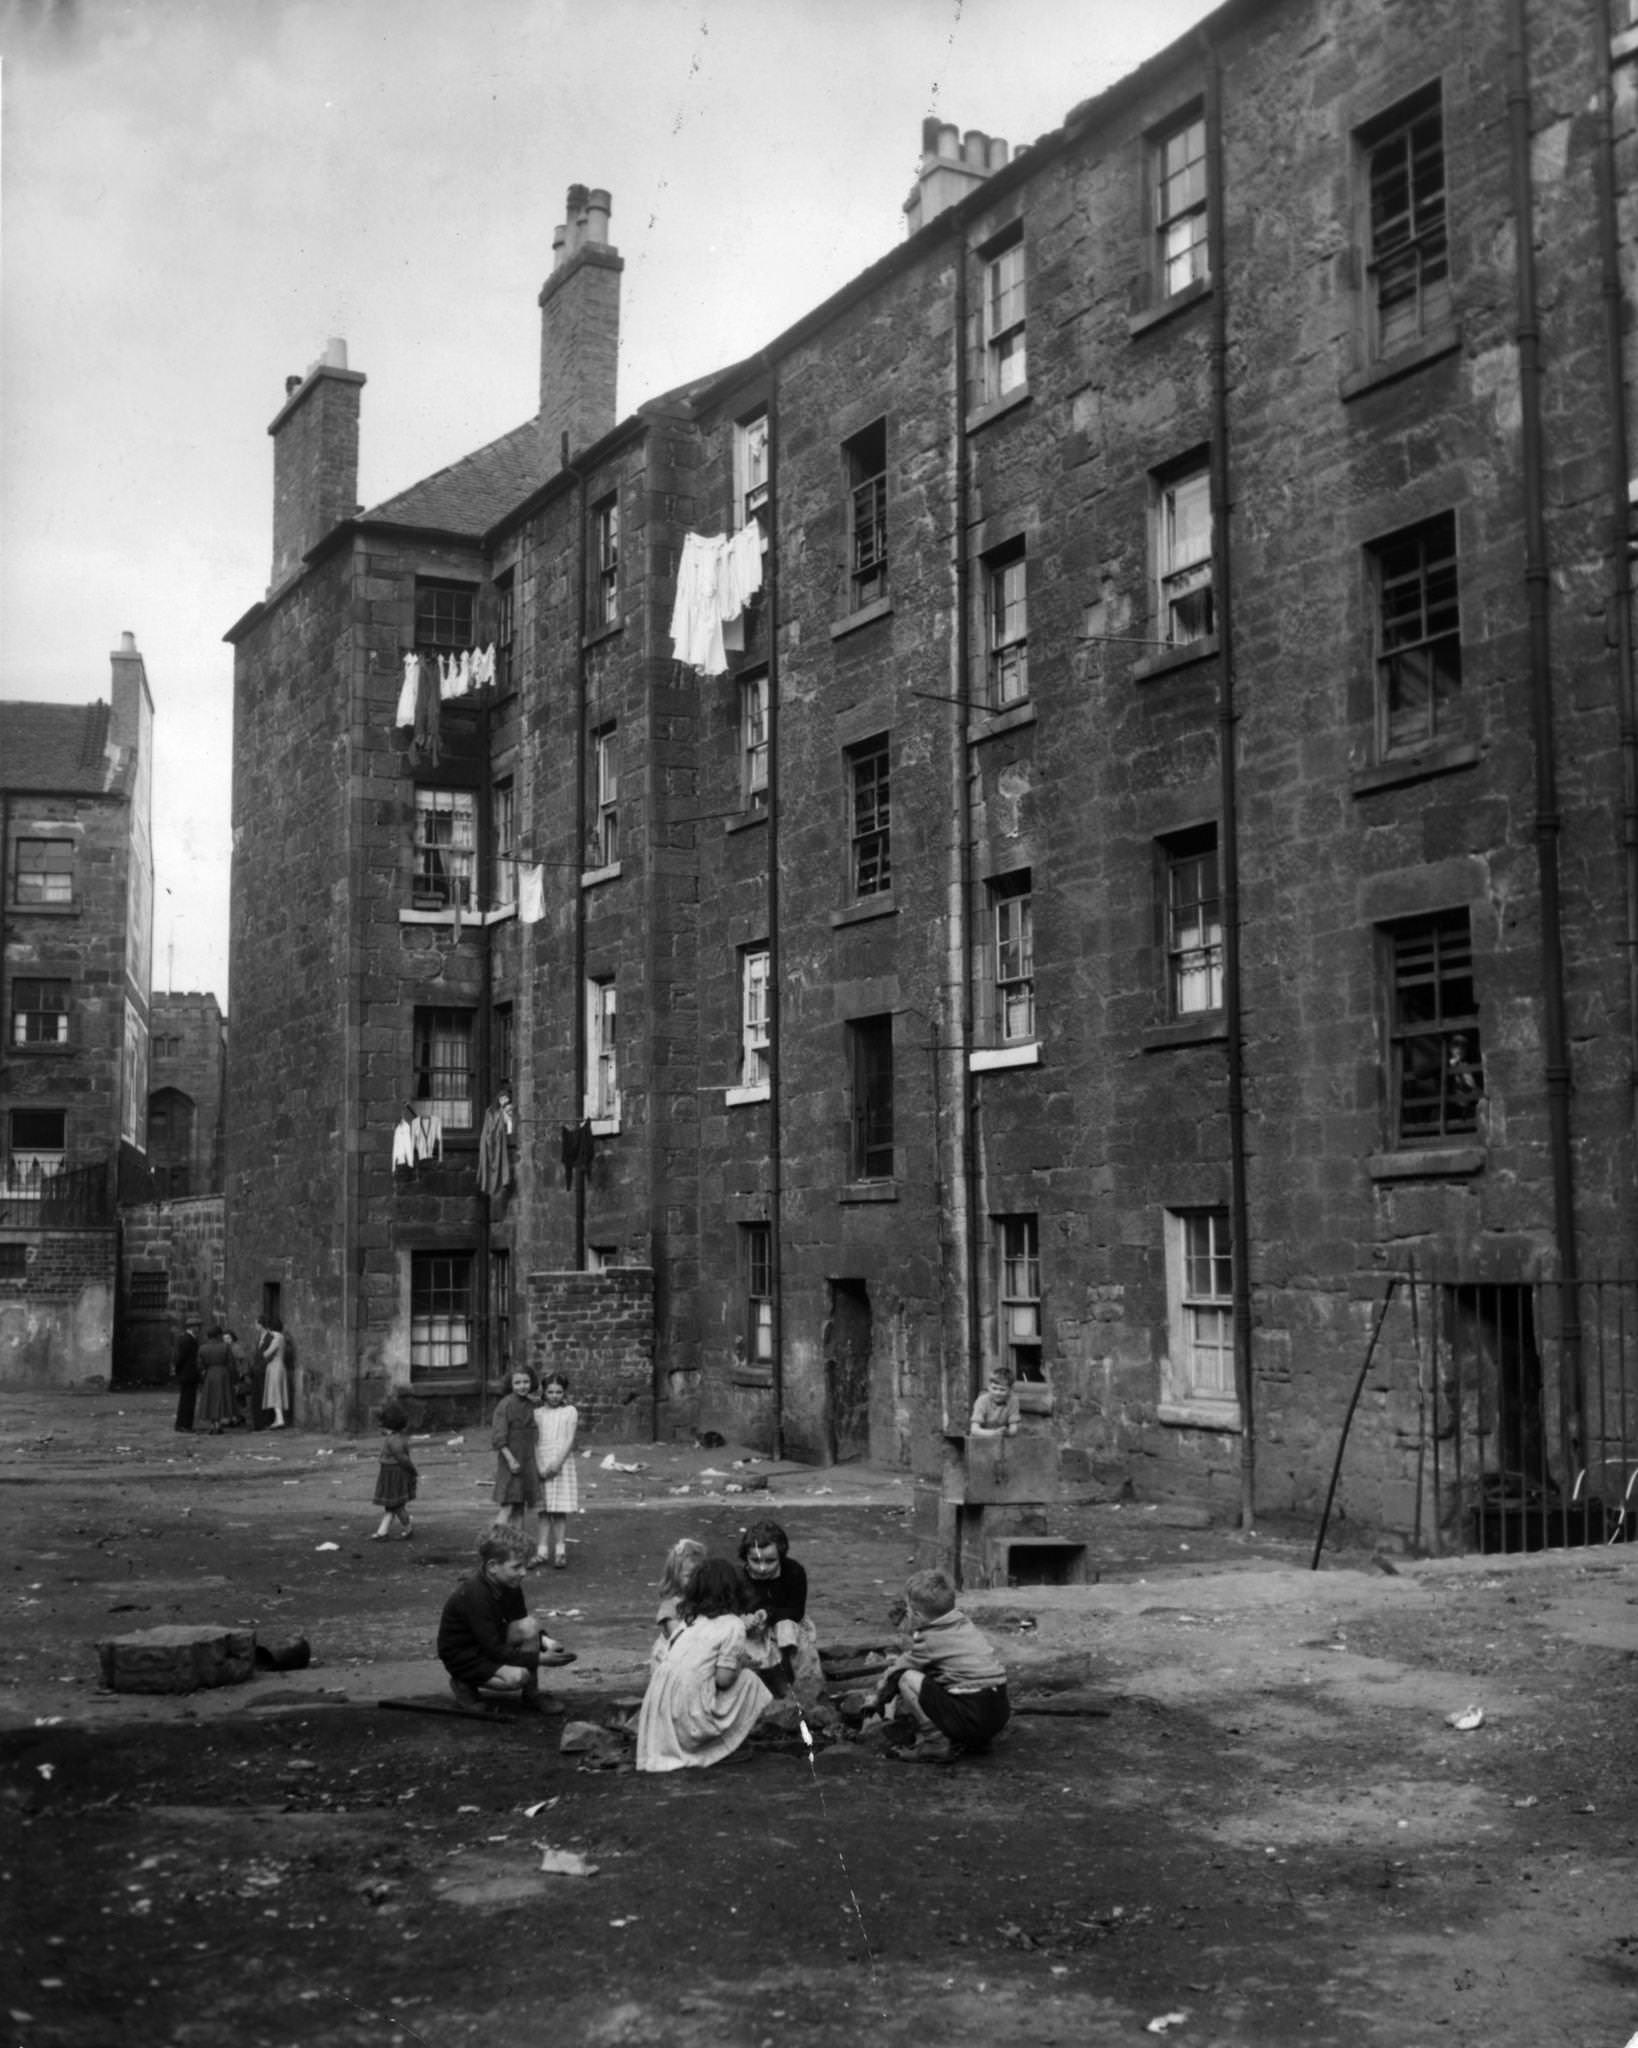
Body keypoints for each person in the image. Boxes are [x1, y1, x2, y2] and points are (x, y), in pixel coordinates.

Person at [635, 1557, 768, 1772]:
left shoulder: (689, 1621)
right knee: (750, 1681)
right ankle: (721, 1746)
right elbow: (724, 1681)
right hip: (690, 1723)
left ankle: (695, 1744)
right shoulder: (733, 1625)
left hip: (662, 1724)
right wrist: (740, 1664)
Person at [874, 1566, 1010, 1763]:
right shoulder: (964, 1623)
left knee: (906, 1678)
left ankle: (936, 1743)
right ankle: (976, 1740)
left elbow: (898, 1668)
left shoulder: (929, 1640)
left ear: (918, 1615)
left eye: (908, 1609)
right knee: (944, 1679)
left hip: (973, 1715)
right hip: (998, 1711)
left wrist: (877, 1696)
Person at [436, 1527, 571, 1715]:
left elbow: (520, 1622)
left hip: (487, 1642)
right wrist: (541, 1659)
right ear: (492, 1566)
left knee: (530, 1625)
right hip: (465, 1657)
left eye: (524, 1565)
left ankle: (532, 1694)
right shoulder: (475, 1594)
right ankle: (463, 1682)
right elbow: (495, 1650)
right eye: (516, 1567)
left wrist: (548, 1643)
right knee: (518, 1677)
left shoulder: (510, 1584)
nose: (523, 1572)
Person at [737, 1519, 822, 1701]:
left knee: (788, 1632)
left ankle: (794, 1681)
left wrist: (769, 1615)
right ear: (746, 1557)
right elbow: (732, 1609)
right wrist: (747, 1619)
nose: (762, 1568)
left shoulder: (794, 1572)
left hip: (786, 1625)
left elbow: (796, 1610)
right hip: (753, 1633)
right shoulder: (738, 1578)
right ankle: (761, 1684)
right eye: (755, 1561)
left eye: (770, 1561)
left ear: (781, 1557)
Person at [532, 1370, 578, 1568]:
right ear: (544, 1392)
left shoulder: (569, 1412)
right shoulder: (537, 1414)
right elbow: (534, 1441)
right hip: (541, 1461)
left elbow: (569, 1439)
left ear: (564, 1393)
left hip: (561, 1462)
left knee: (558, 1510)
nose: (554, 1396)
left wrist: (558, 1463)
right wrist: (540, 1465)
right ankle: (541, 1551)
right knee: (543, 1510)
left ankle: (560, 1550)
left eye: (558, 1392)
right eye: (550, 1392)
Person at [490, 1367, 542, 1539]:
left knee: (519, 1506)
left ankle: (517, 1547)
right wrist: (510, 1459)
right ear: (510, 1384)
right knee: (508, 1505)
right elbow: (499, 1436)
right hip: (511, 1460)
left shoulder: (530, 1405)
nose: (522, 1386)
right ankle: (492, 1542)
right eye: (517, 1382)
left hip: (526, 1460)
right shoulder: (505, 1405)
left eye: (526, 1382)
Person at [650, 1537, 707, 1672]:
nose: (695, 1581)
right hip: (670, 1656)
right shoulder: (670, 1605)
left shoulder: (701, 1600)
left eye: (699, 1576)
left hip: (694, 1653)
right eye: (689, 1576)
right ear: (674, 1576)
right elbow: (677, 1638)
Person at [371, 1399, 418, 1540]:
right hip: (392, 1474)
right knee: (392, 1506)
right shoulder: (397, 1438)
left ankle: (408, 1529)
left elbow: (402, 1458)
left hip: (393, 1475)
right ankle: (382, 1532)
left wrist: (412, 1471)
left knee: (396, 1506)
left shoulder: (393, 1440)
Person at [195, 1325, 236, 1434]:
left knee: (211, 1399)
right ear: (219, 1335)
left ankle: (213, 1424)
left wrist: (204, 1373)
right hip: (223, 1374)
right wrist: (233, 1376)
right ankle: (218, 1424)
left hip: (210, 1374)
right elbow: (231, 1363)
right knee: (221, 1398)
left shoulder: (203, 1348)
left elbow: (199, 1365)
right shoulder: (225, 1347)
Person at [170, 1316, 202, 1433]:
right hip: (188, 1374)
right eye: (198, 1327)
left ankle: (183, 1424)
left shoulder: (187, 1338)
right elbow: (180, 1357)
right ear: (193, 1327)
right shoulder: (187, 1339)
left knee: (187, 1400)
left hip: (187, 1374)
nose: (199, 1329)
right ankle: (184, 1425)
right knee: (187, 1401)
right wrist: (178, 1370)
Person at [969, 1368, 1021, 1439]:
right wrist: (994, 1433)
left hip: (1002, 1439)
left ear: (1010, 1390)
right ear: (989, 1387)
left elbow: (1014, 1429)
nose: (997, 1393)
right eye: (994, 1388)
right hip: (982, 1438)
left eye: (1002, 1390)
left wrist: (1007, 1432)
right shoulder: (982, 1400)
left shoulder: (1013, 1401)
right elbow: (974, 1429)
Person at [261, 1318, 291, 1429]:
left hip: (275, 1366)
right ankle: (278, 1418)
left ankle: (280, 1419)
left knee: (275, 1392)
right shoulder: (281, 1337)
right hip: (278, 1366)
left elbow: (268, 1352)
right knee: (276, 1391)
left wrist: (262, 1349)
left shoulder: (276, 1337)